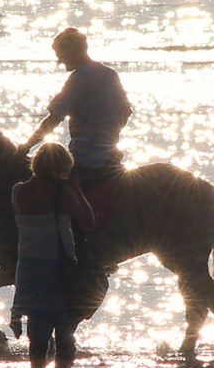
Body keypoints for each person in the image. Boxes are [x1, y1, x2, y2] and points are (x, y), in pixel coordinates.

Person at [18, 28, 132, 231]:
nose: (60, 61)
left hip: (85, 156)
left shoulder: (79, 78)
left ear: (72, 52)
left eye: (60, 55)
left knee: (46, 188)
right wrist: (110, 132)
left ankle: (60, 238)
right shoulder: (109, 74)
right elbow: (126, 112)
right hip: (111, 154)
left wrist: (26, 147)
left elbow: (54, 119)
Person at [9, 144, 97, 368]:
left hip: (28, 268)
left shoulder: (18, 192)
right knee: (64, 335)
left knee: (37, 337)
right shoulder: (62, 193)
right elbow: (89, 222)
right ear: (63, 167)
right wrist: (76, 189)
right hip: (59, 269)